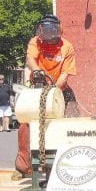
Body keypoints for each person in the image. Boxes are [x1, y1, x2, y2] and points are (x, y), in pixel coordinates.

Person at [12, 14, 79, 180]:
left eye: (51, 30)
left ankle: (71, 160)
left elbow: (65, 74)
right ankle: (23, 167)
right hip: (37, 86)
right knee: (26, 125)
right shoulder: (35, 41)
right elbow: (30, 60)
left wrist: (54, 91)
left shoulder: (67, 47)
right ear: (40, 29)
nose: (48, 34)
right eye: (45, 30)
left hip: (59, 88)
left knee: (72, 119)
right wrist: (38, 72)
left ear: (58, 30)